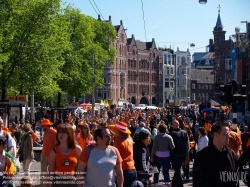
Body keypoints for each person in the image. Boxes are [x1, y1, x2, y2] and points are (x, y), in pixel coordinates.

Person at [193, 121, 238, 187]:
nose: (229, 136)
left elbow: (235, 178)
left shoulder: (231, 154)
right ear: (216, 135)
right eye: (226, 134)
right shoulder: (202, 156)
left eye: (228, 134)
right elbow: (197, 181)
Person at [110, 121, 137, 187]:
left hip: (124, 170)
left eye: (115, 130)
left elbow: (115, 157)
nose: (113, 131)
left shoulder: (119, 142)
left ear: (118, 132)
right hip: (132, 169)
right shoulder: (129, 141)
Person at [170, 120, 189, 187]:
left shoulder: (172, 133)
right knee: (177, 170)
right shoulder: (184, 133)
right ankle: (174, 184)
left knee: (177, 171)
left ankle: (180, 185)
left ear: (174, 125)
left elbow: (170, 146)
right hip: (182, 154)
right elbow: (187, 145)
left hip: (175, 154)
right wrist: (187, 154)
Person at [40, 119, 57, 187]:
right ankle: (42, 185)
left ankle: (51, 185)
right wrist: (42, 154)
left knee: (51, 172)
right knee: (43, 172)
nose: (42, 127)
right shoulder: (45, 132)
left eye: (43, 126)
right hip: (44, 155)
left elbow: (56, 145)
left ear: (46, 126)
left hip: (51, 156)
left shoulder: (54, 132)